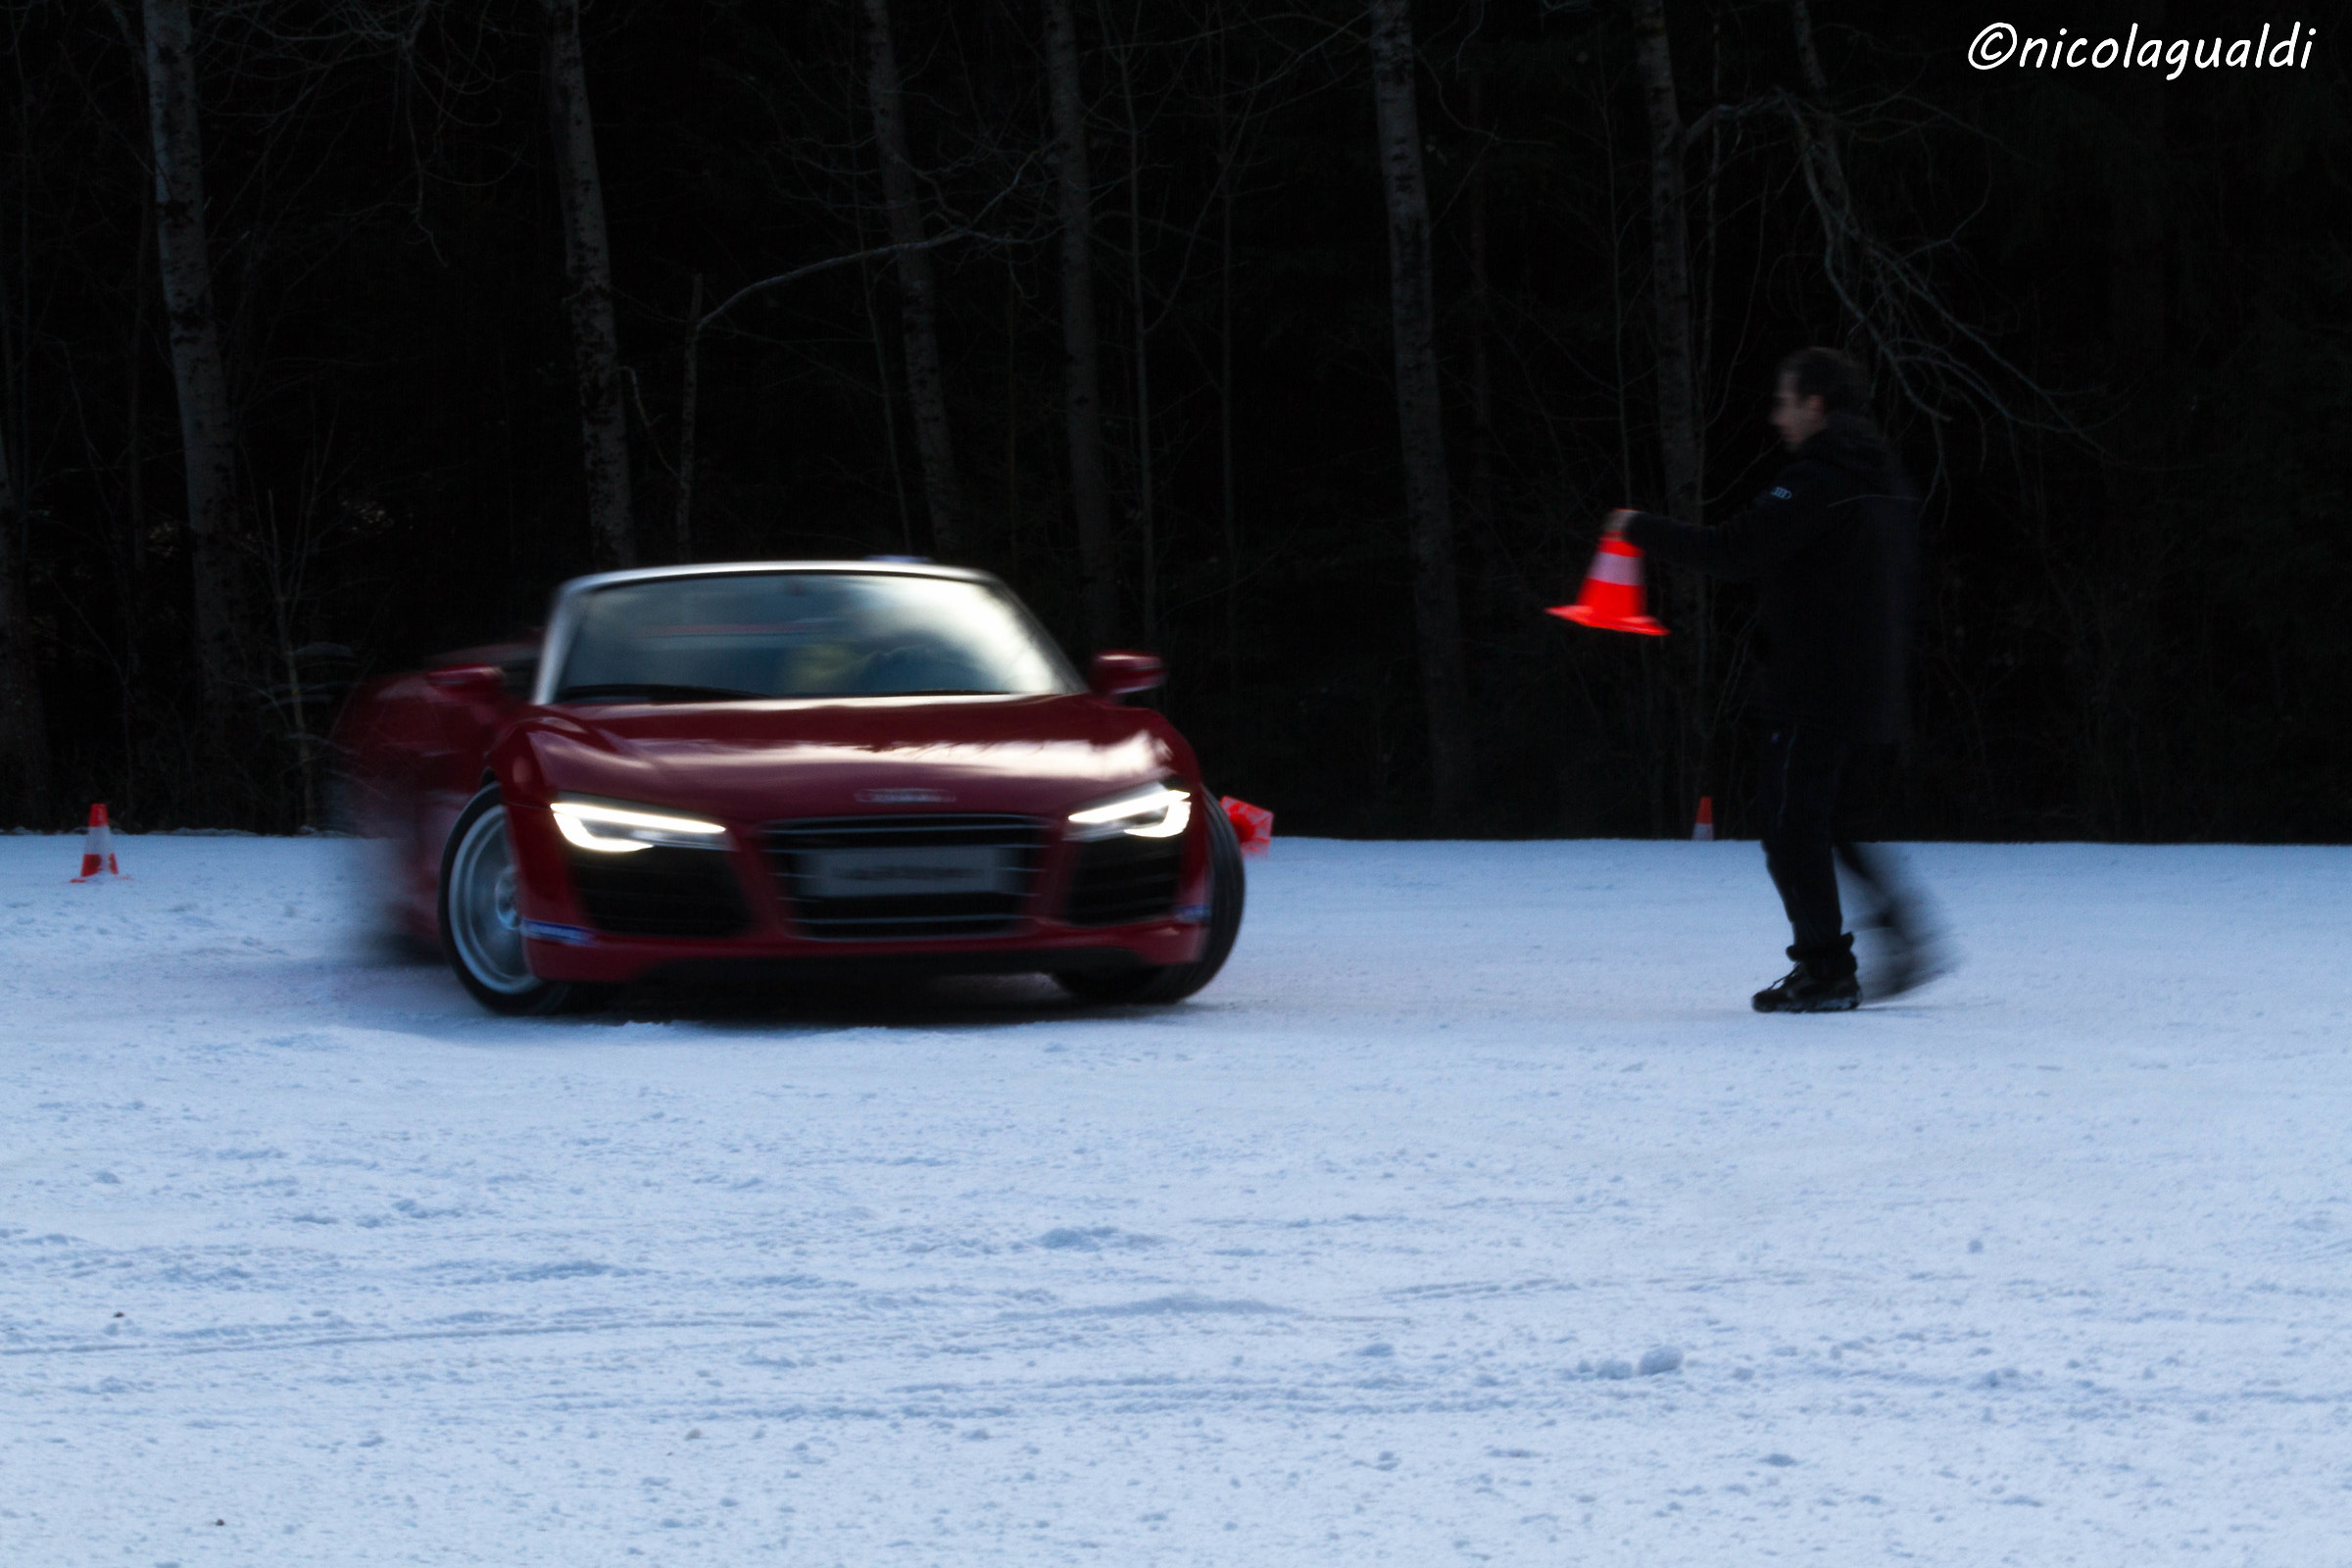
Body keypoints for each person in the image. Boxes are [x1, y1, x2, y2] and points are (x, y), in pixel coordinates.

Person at [1607, 347, 1937, 1012]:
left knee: (1791, 830)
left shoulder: (1818, 480)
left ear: (1814, 406)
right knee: (1831, 824)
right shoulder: (1883, 479)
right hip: (1871, 687)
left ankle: (1825, 971)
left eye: (1784, 403)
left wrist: (1638, 527)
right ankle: (1898, 933)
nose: (1776, 417)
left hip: (1815, 687)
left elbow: (1732, 550)